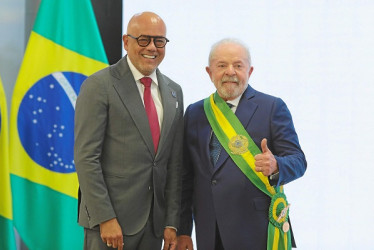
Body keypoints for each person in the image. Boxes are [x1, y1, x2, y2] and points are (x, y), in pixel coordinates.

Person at [177, 38, 307, 250]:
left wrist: (276, 166)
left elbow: (299, 161)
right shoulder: (194, 112)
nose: (230, 72)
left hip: (255, 230)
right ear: (209, 72)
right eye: (221, 65)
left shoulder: (272, 107)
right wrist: (183, 230)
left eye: (238, 65)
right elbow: (185, 177)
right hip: (210, 231)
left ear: (250, 70)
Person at [74, 12, 184, 250]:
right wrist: (105, 217)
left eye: (159, 41)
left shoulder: (174, 91)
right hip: (110, 226)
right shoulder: (98, 85)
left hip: (154, 228)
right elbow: (86, 158)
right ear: (126, 41)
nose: (152, 47)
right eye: (143, 39)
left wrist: (172, 222)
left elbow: (174, 163)